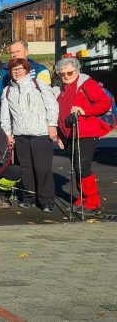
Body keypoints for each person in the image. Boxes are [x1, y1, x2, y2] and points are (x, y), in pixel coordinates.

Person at [55, 57, 112, 216]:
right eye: (62, 74)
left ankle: (93, 202)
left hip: (86, 132)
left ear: (77, 71)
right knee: (77, 168)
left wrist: (85, 110)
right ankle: (82, 199)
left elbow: (104, 103)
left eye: (70, 73)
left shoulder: (87, 85)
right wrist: (59, 135)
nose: (66, 76)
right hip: (70, 134)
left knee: (83, 167)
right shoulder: (61, 88)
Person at [0, 58, 59, 212]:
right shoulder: (7, 91)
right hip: (21, 136)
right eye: (14, 70)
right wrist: (8, 133)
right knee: (25, 169)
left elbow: (52, 106)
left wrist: (52, 125)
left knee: (42, 168)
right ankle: (29, 198)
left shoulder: (39, 85)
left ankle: (46, 201)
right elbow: (5, 116)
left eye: (20, 69)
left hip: (41, 134)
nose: (17, 72)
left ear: (26, 70)